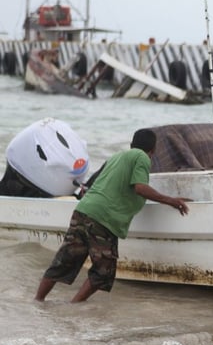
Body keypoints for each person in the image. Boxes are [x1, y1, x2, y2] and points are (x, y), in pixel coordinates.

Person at [34, 129, 190, 303]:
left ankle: (38, 301)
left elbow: (96, 184)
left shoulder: (116, 157)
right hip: (103, 219)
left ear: (131, 144)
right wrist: (171, 201)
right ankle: (74, 305)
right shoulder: (142, 157)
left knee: (64, 261)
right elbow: (140, 187)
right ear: (153, 150)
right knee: (103, 272)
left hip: (83, 210)